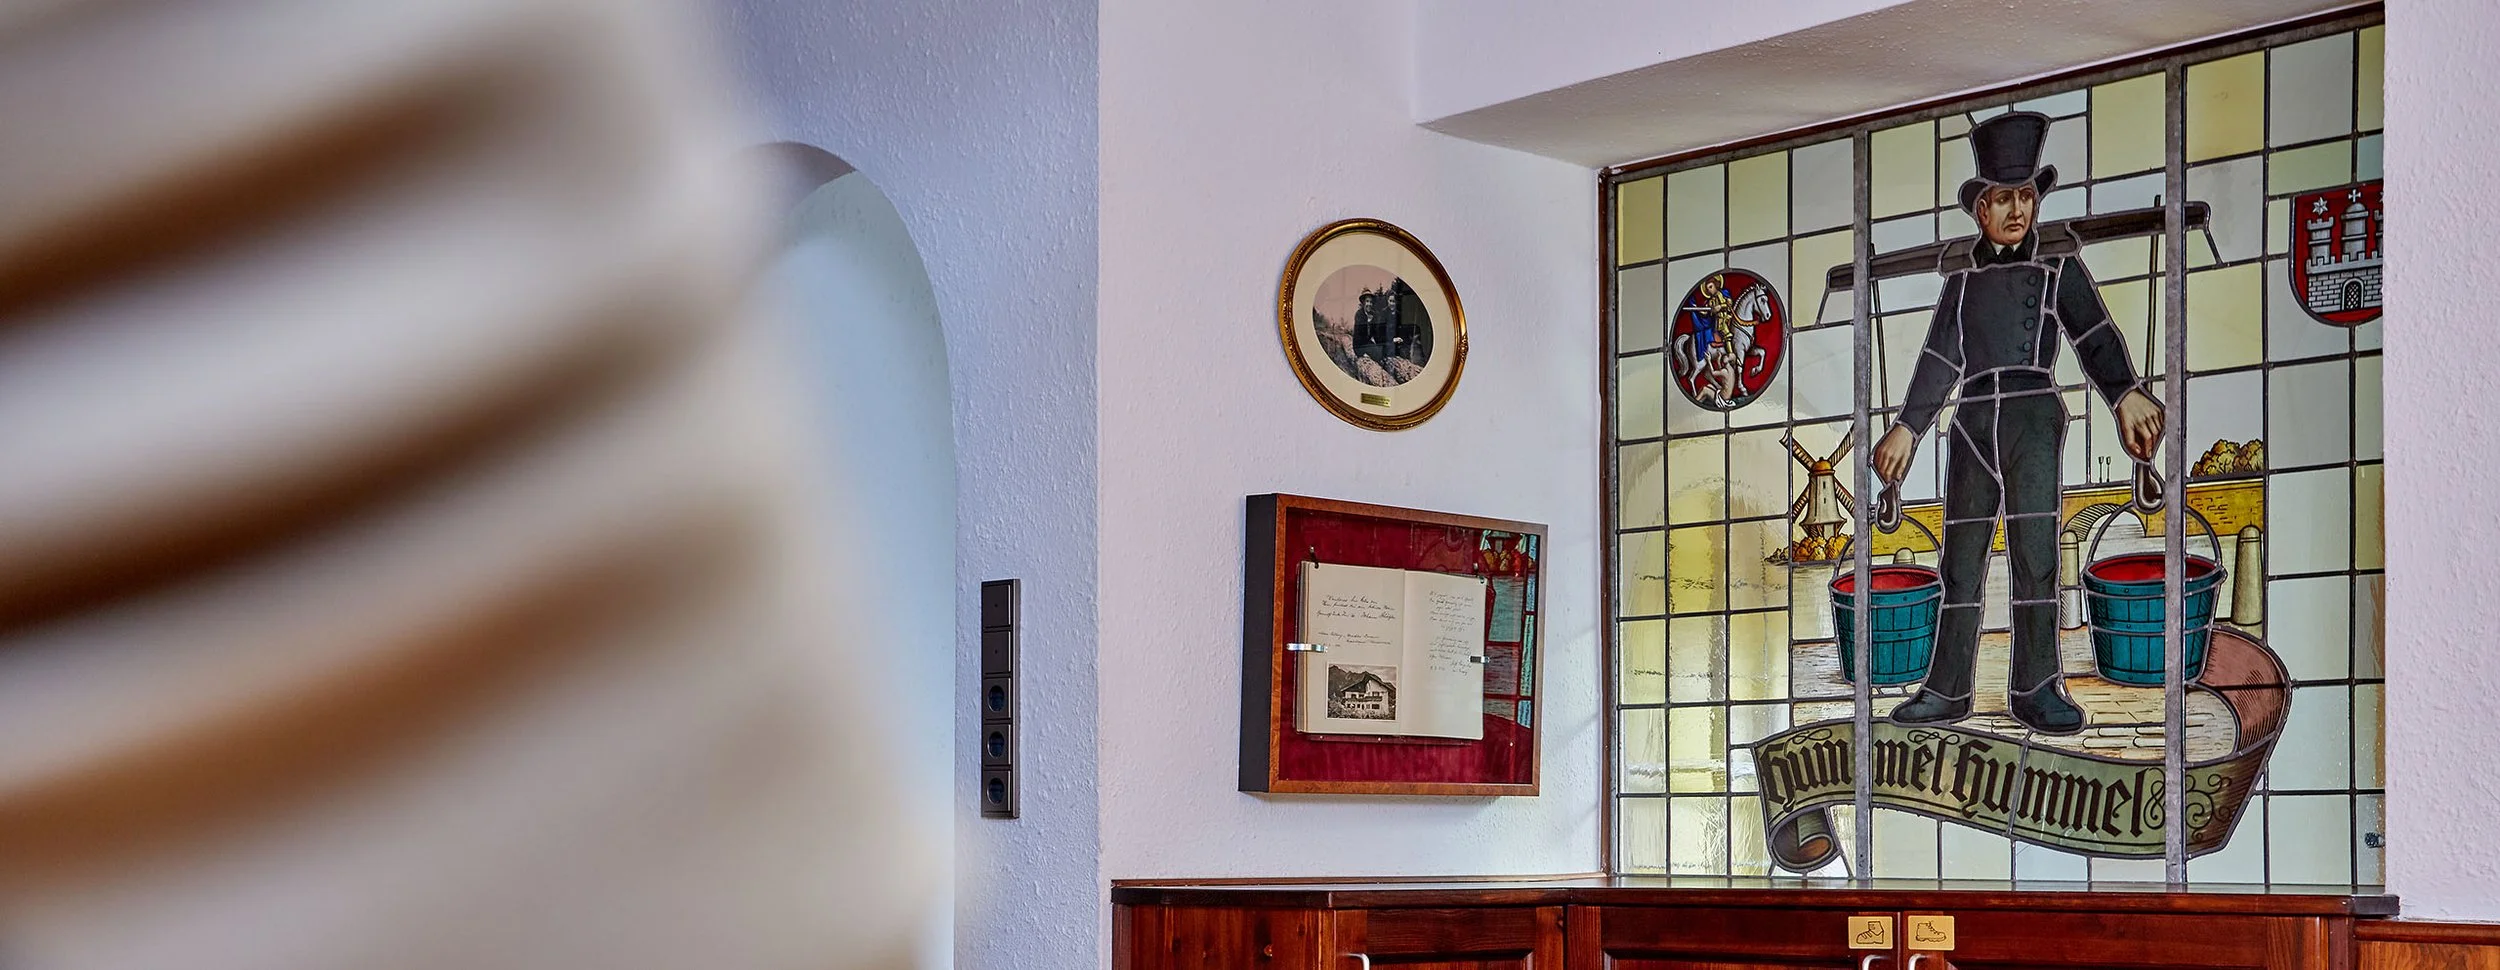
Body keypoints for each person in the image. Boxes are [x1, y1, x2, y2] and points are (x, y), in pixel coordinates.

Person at [1868, 111, 2165, 735]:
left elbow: (2095, 336)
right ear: (1982, 209)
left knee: (2036, 558)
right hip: (1972, 420)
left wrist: (2126, 395)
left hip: (2032, 414)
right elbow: (1940, 358)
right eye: (2004, 198)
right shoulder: (1962, 279)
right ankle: (1947, 688)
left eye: (2026, 196)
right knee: (1960, 561)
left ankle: (2036, 686)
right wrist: (1907, 427)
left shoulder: (2058, 265)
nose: (2017, 209)